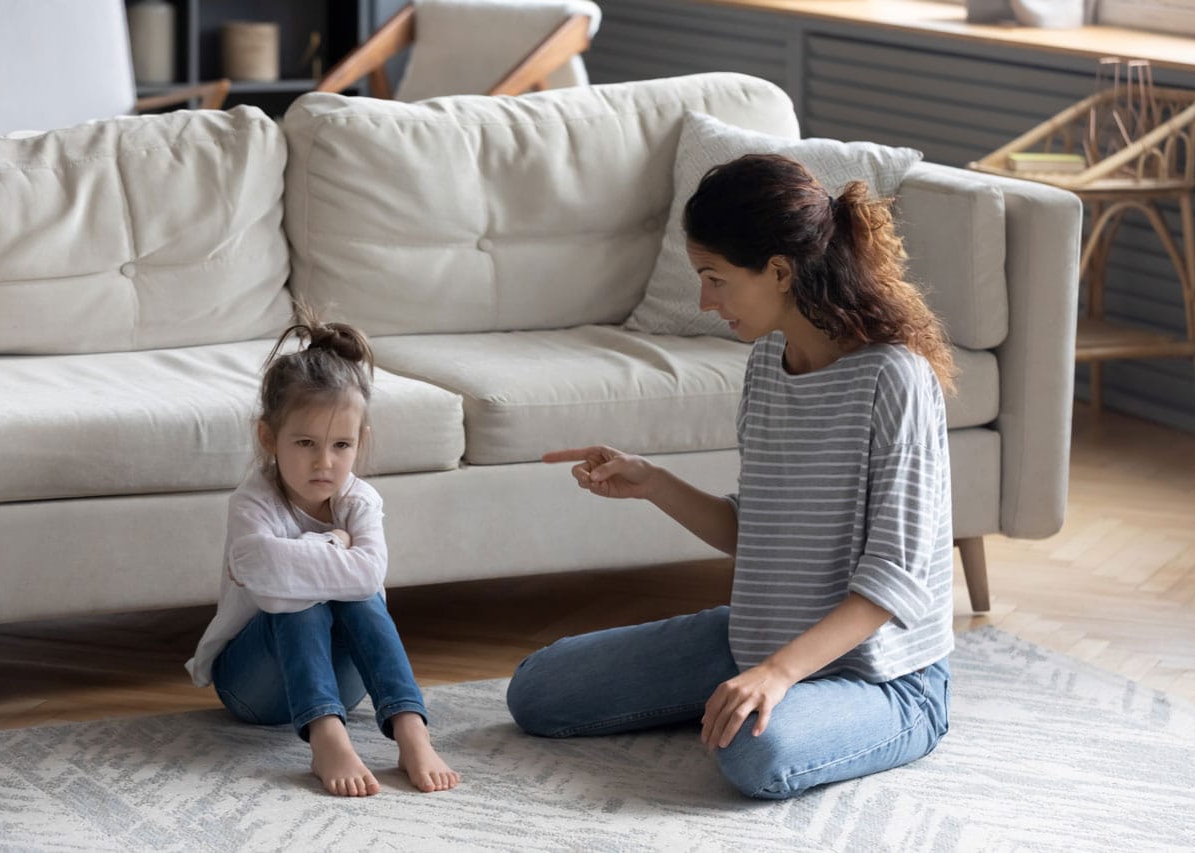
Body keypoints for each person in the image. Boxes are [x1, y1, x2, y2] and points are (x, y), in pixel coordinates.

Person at [506, 153, 957, 799]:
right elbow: (759, 531)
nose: (704, 300)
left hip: (885, 678)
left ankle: (813, 710)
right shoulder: (769, 362)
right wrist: (653, 481)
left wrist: (777, 672)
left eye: (715, 278)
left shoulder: (895, 378)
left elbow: (896, 581)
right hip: (761, 640)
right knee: (539, 691)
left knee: (756, 751)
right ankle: (755, 695)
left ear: (778, 271)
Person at [186, 308, 459, 798]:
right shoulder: (253, 502)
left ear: (360, 443)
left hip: (347, 688)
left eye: (341, 445)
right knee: (297, 601)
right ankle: (326, 738)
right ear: (268, 437)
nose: (324, 462)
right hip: (252, 689)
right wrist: (334, 544)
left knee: (360, 596)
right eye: (306, 442)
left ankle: (410, 729)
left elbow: (369, 574)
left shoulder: (359, 500)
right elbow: (267, 584)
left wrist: (305, 560)